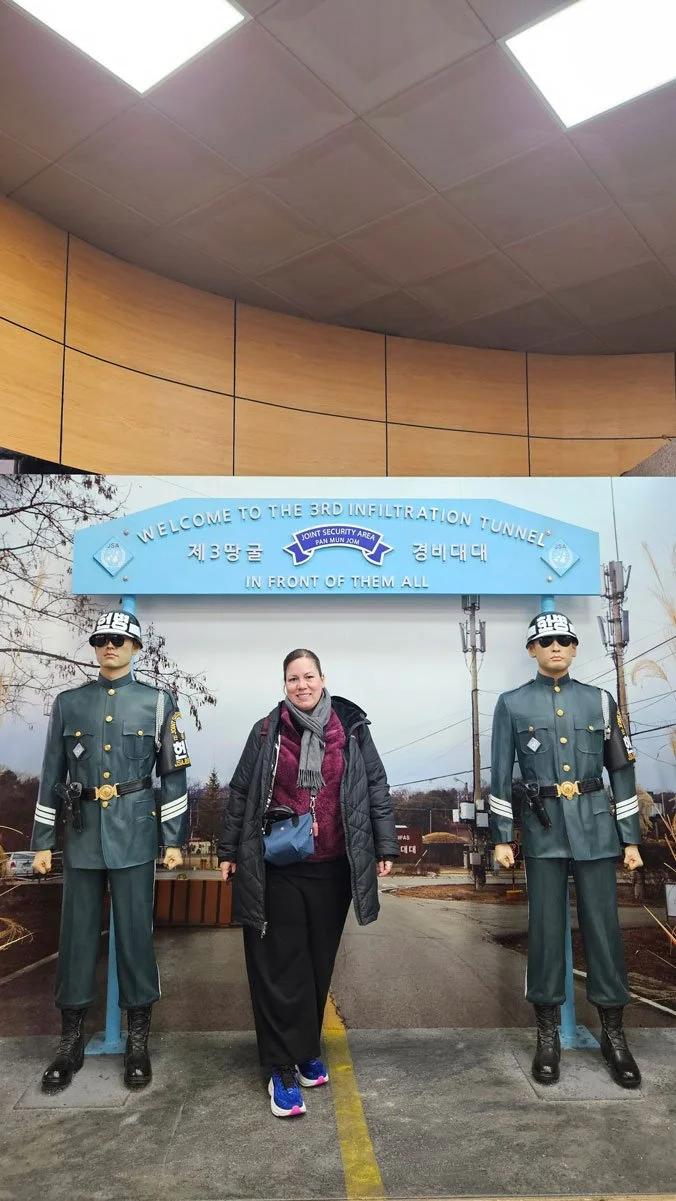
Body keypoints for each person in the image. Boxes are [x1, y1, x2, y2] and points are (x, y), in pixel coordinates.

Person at [219, 648, 398, 1118]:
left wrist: (384, 847)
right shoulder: (267, 731)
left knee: (317, 965)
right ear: (284, 685)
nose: (302, 685)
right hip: (278, 865)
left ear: (323, 679)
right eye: (293, 678)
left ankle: (303, 1049)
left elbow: (375, 787)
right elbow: (240, 792)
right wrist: (227, 852)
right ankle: (279, 1067)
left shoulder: (351, 729)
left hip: (334, 866)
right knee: (281, 966)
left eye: (309, 676)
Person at [31, 610, 190, 1093]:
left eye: (120, 640)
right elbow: (51, 772)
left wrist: (174, 839)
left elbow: (174, 775)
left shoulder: (161, 703)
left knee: (136, 939)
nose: (110, 647)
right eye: (102, 639)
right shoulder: (69, 703)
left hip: (136, 833)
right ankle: (71, 1041)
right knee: (77, 937)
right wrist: (42, 842)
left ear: (137, 647)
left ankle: (137, 1040)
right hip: (81, 836)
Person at [489, 611, 643, 1089]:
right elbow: (500, 774)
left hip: (597, 829)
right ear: (532, 650)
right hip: (544, 830)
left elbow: (620, 769)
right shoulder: (511, 704)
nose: (556, 647)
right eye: (546, 641)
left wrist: (631, 837)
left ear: (575, 649)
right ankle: (548, 1037)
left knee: (605, 931)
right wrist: (500, 837)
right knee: (545, 933)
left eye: (565, 640)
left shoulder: (600, 701)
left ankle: (615, 1038)